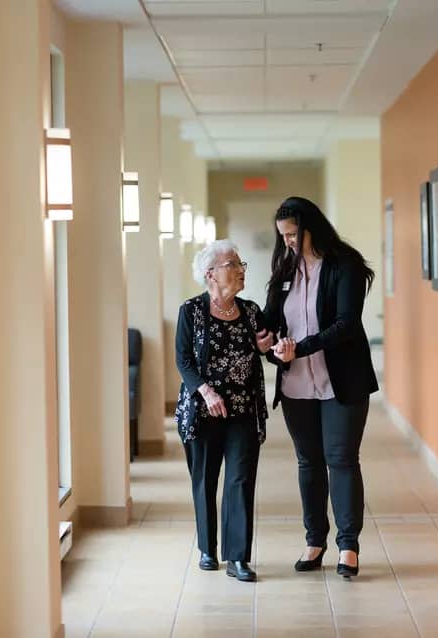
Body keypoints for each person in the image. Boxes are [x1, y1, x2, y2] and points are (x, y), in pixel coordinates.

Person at [264, 196, 378, 580]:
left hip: (342, 380)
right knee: (308, 462)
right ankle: (315, 541)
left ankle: (349, 546)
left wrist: (301, 347)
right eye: (283, 237)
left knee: (341, 459)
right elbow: (270, 320)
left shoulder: (344, 266)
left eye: (294, 235)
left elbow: (346, 324)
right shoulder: (283, 269)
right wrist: (267, 341)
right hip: (296, 383)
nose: (289, 243)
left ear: (312, 228)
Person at [175, 239, 275, 582]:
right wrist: (205, 392)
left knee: (240, 480)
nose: (241, 269)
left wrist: (268, 347)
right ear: (210, 274)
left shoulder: (250, 311)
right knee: (205, 480)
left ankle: (238, 557)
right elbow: (184, 361)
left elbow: (267, 348)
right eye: (233, 264)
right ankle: (207, 548)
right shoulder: (191, 311)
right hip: (203, 411)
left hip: (244, 410)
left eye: (240, 263)